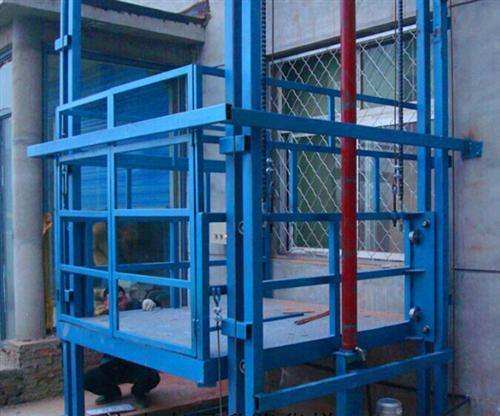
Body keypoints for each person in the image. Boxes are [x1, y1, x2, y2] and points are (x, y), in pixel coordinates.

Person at [84, 286, 162, 408]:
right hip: (112, 364)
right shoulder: (102, 316)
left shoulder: (134, 308)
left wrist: (152, 302)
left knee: (152, 377)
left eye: (120, 299)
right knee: (87, 379)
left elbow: (155, 307)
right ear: (105, 303)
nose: (118, 304)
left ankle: (139, 393)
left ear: (126, 298)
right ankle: (112, 393)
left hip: (135, 363)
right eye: (112, 301)